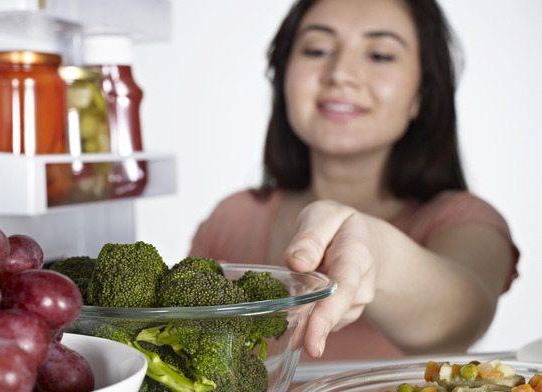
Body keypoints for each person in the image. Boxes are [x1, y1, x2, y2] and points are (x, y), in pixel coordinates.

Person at [188, 0, 519, 362]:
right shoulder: (232, 218)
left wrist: (371, 247)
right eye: (317, 50)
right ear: (283, 78)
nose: (341, 73)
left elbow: (461, 319)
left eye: (379, 55)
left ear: (421, 95)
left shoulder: (466, 222)